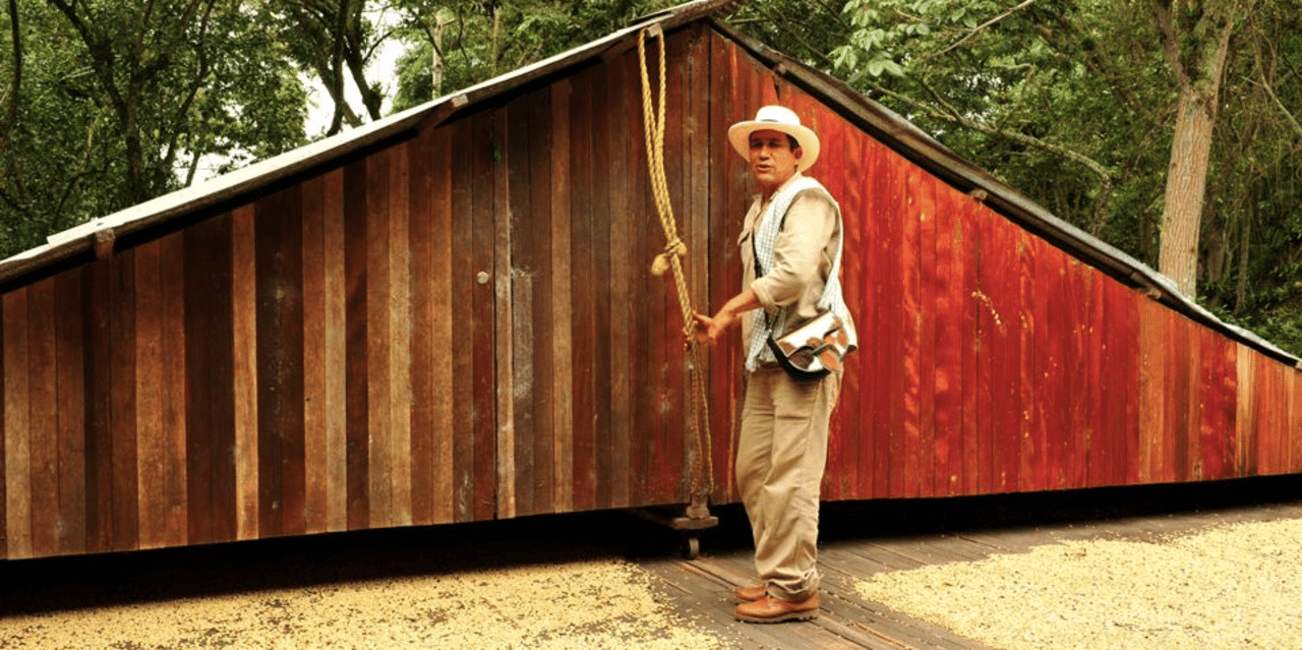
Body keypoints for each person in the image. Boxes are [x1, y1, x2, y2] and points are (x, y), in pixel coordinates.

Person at [692, 105, 856, 624]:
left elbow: (793, 276)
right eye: (757, 145)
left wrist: (727, 312)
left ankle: (794, 588)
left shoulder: (808, 200)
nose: (763, 153)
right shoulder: (760, 208)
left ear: (796, 154)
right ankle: (776, 571)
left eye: (775, 145)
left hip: (807, 351)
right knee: (755, 472)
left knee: (792, 477)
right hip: (767, 354)